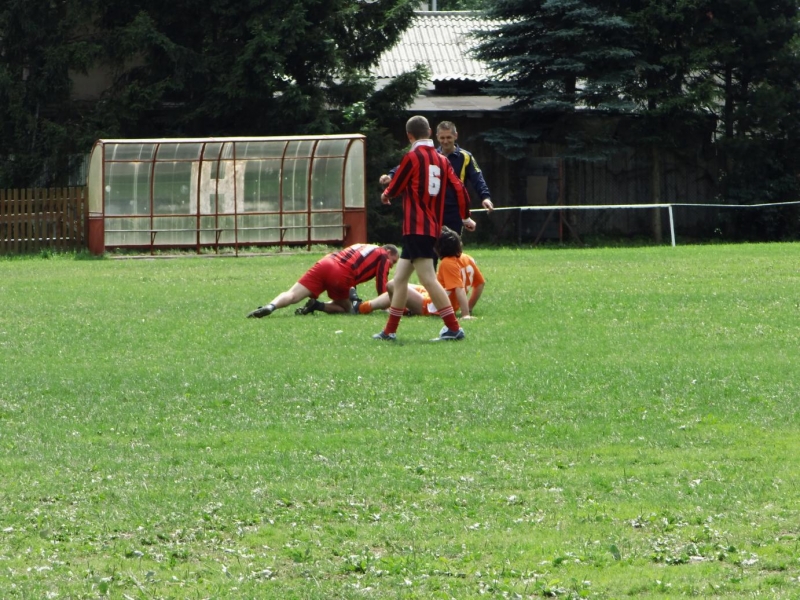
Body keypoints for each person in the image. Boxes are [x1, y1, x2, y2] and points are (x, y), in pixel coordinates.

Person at [373, 115, 471, 342]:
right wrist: (465, 216)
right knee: (399, 280)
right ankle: (389, 331)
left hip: (417, 227)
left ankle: (454, 328)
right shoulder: (442, 159)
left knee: (428, 279)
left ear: (409, 136)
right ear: (430, 132)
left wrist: (386, 195)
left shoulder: (412, 157)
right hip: (428, 227)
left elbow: (396, 186)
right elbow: (460, 189)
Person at [379, 120, 494, 235]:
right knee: (433, 243)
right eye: (442, 138)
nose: (445, 141)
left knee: (452, 243)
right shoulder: (431, 155)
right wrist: (391, 175)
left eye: (449, 137)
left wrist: (485, 197)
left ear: (456, 136)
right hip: (433, 208)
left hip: (454, 210)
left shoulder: (466, 157)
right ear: (437, 136)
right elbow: (407, 165)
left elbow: (477, 178)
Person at [357, 226, 485, 319]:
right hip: (435, 298)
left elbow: (459, 289)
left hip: (432, 306)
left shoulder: (447, 262)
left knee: (393, 285)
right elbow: (480, 284)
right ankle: (366, 307)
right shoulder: (467, 258)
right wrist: (469, 307)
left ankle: (366, 308)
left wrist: (465, 314)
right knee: (402, 284)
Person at [246, 243, 399, 318]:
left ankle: (271, 306)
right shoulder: (383, 255)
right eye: (394, 260)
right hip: (342, 273)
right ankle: (318, 305)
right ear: (388, 251)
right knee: (348, 309)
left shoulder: (364, 246)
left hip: (327, 261)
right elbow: (382, 285)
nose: (392, 265)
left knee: (292, 294)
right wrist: (387, 307)